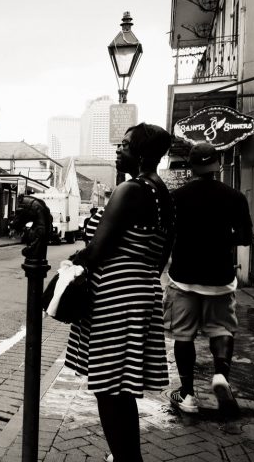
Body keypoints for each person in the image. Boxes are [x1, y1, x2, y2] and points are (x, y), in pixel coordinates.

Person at [66, 123, 174, 462]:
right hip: (140, 292)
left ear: (141, 153)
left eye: (125, 145)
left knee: (109, 390)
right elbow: (160, 255)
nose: (118, 149)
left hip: (114, 296)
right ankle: (126, 455)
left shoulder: (130, 190)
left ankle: (127, 459)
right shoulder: (163, 194)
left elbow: (96, 250)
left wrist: (66, 274)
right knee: (120, 387)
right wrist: (137, 280)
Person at [165, 142, 252, 418]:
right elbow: (245, 238)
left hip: (184, 278)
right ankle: (220, 376)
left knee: (183, 335)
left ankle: (188, 394)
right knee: (222, 330)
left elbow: (167, 236)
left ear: (191, 166)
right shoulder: (235, 197)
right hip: (221, 278)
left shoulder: (176, 197)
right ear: (217, 165)